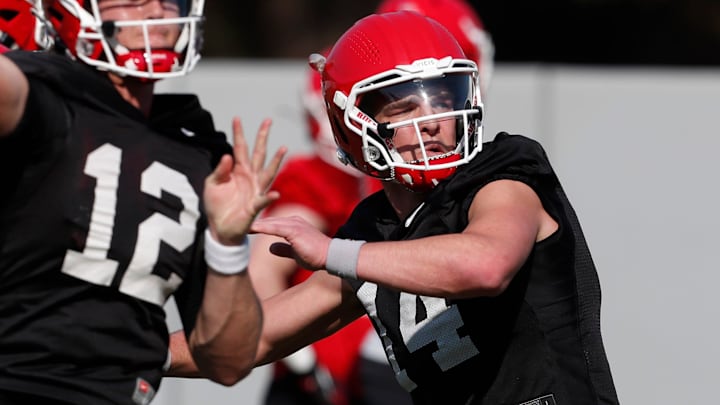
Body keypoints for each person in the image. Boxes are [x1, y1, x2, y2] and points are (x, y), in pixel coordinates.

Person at [249, 11, 620, 405]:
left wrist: (332, 253)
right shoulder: (374, 228)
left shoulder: (505, 177)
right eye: (405, 107)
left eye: (443, 98)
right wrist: (221, 246)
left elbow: (485, 264)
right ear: (352, 123)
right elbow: (250, 340)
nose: (433, 121)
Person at [0, 0, 285, 404]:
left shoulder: (196, 150)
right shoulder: (39, 95)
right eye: (132, 0)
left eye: (167, 1)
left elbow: (229, 361)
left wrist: (227, 245)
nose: (156, 14)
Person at [246, 53, 405, 405]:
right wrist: (304, 363)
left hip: (380, 375)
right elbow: (262, 272)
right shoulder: (317, 180)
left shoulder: (386, 183)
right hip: (322, 384)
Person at [374, 0, 494, 99]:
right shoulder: (397, 6)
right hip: (404, 89)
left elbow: (480, 51)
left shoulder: (456, 10)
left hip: (453, 90)